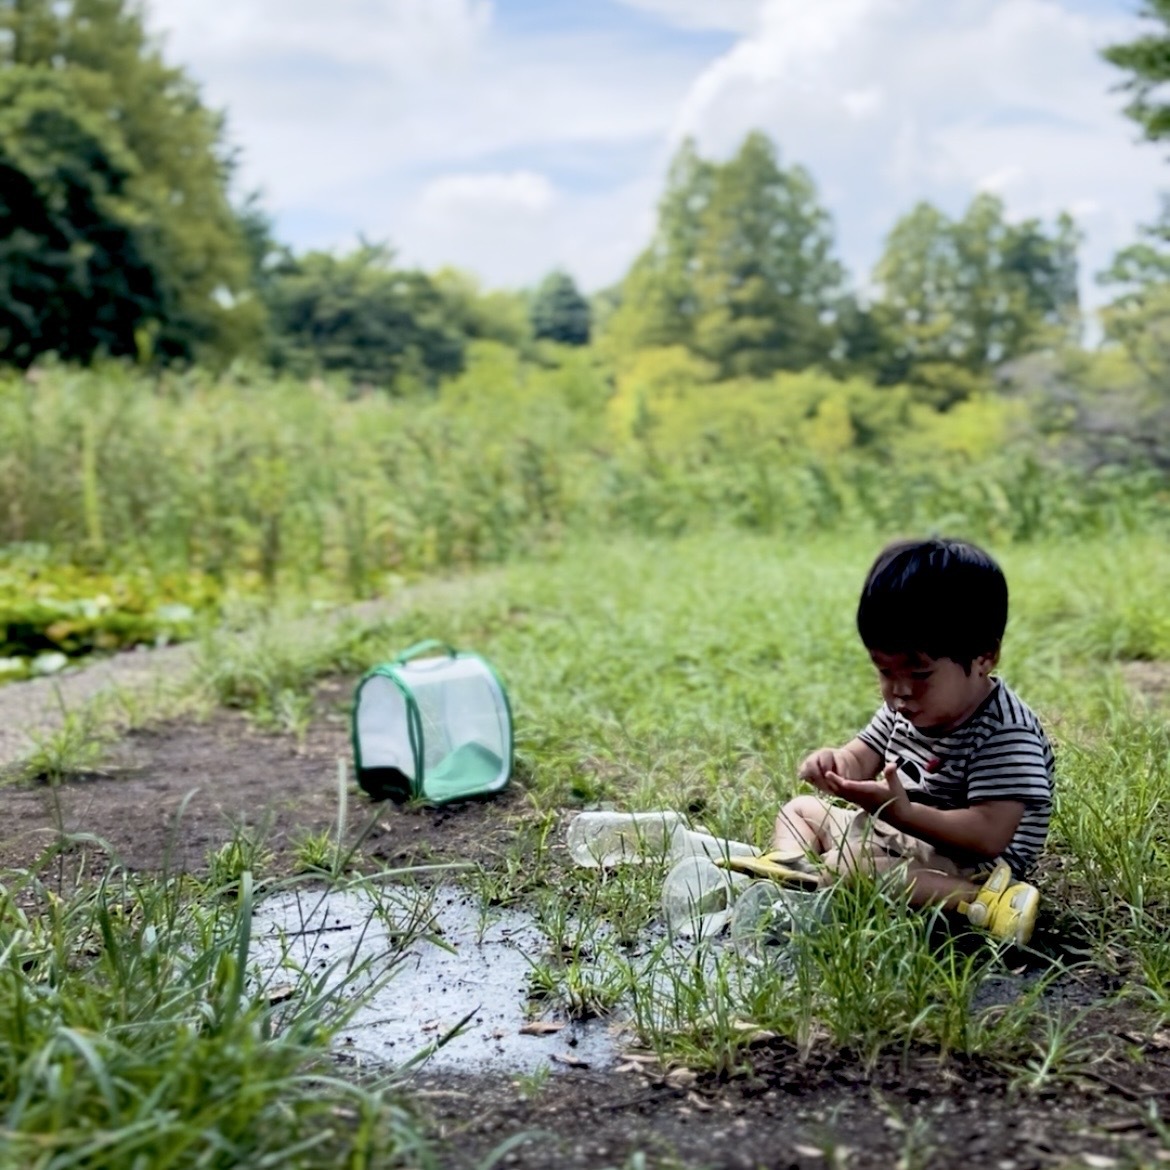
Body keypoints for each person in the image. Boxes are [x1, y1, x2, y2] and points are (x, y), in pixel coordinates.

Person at [725, 537, 1054, 945]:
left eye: (920, 674)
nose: (899, 691)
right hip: (899, 832)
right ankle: (790, 871)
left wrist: (903, 813)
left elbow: (989, 834)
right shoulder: (908, 707)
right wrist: (835, 766)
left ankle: (984, 903)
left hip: (970, 862)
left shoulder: (1004, 731)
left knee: (853, 866)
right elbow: (861, 755)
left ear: (984, 657)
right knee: (800, 810)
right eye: (884, 671)